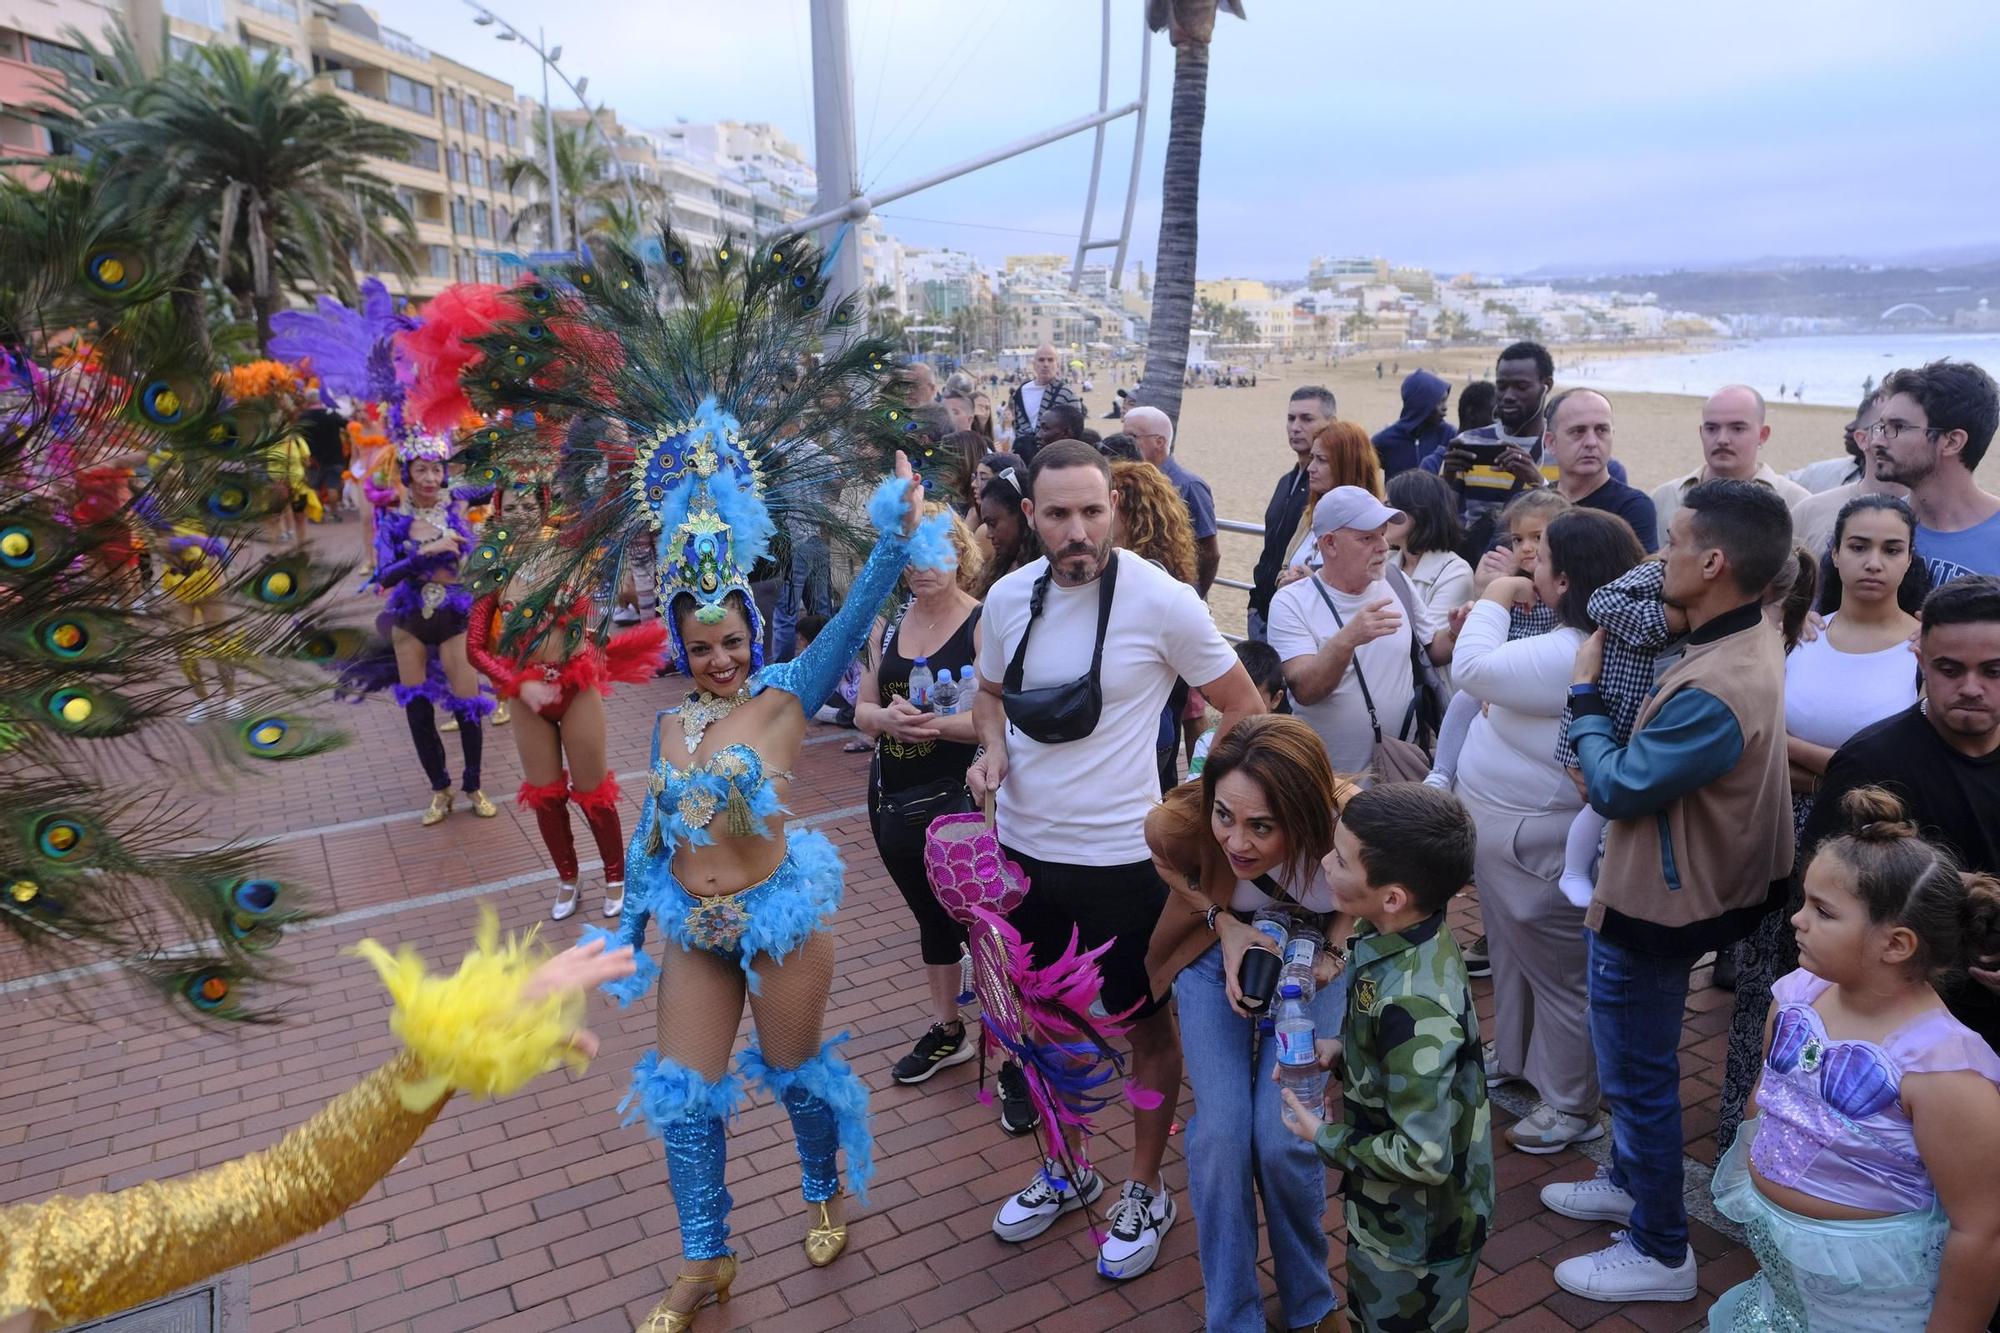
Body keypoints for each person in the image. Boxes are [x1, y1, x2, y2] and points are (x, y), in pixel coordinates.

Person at [969, 441, 1265, 1282]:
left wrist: (1197, 807)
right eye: (1058, 514)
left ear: (1116, 511)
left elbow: (1245, 709)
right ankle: (1067, 1166)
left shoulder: (1162, 601)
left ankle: (1143, 1188)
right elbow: (989, 696)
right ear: (1031, 517)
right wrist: (990, 753)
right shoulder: (1005, 599)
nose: (1077, 532)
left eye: (1092, 512)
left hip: (1125, 864)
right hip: (1025, 857)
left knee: (1144, 1025)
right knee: (1047, 1025)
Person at [1548, 479, 1796, 1304]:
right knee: (1637, 1068)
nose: (1662, 559)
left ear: (1715, 562)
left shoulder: (1718, 682)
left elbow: (1618, 788)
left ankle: (1660, 1249)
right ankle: (1630, 1179)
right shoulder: (1749, 630)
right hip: (1684, 881)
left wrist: (1585, 689)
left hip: (1652, 906)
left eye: (1675, 544)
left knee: (1638, 1076)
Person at [1709, 789, 2000, 1332]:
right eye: (1805, 901)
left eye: (1822, 911)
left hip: (1874, 1314)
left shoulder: (1944, 1072)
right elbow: (1768, 1095)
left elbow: (1981, 1230)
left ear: (1896, 944)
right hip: (1782, 1292)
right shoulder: (1797, 994)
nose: (1797, 920)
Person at [1715, 494, 1929, 1150]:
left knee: (1854, 1000)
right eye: (1858, 545)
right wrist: (1835, 767)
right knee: (1766, 988)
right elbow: (1752, 737)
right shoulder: (1802, 633)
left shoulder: (1924, 650)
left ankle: (1834, 1149)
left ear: (1909, 557)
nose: (1873, 561)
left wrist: (1801, 757)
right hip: (1777, 829)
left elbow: (1899, 775)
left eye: (1891, 548)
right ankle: (1742, 1134)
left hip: (1871, 848)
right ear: (1834, 552)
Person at [1144, 715, 1357, 1333]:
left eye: (1261, 826)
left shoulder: (1351, 820)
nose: (1236, 842)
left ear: (1303, 812)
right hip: (1218, 961)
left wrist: (1333, 953)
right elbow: (1162, 854)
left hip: (1312, 964)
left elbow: (1370, 893)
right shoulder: (1183, 820)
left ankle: (1311, 1304)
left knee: (1286, 1134)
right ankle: (1232, 1317)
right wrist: (1223, 922)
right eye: (1225, 817)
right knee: (1220, 1137)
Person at [1454, 510, 1646, 1155]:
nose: (1528, 565)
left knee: (1560, 974)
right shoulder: (1576, 639)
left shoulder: (1576, 648)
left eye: (1539, 559)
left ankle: (1571, 1105)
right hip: (1510, 832)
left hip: (1534, 837)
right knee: (1513, 958)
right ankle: (1515, 1057)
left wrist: (1494, 594)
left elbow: (1471, 667)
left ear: (1563, 580)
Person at [1280, 783, 1492, 1333]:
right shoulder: (1404, 934)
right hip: (1399, 1220)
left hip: (1415, 1240)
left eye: (1341, 858)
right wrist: (1340, 1054)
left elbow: (1423, 1155)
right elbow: (1405, 1064)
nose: (1325, 862)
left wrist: (1321, 1136)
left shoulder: (1414, 1004)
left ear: (1392, 895)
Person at [1797, 575, 2000, 1052]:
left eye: (1994, 670)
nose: (1972, 687)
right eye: (1950, 668)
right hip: (1906, 1036)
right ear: (1920, 658)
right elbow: (1821, 896)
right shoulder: (1871, 763)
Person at [467, 541, 669, 921]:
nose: (522, 509)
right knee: (545, 794)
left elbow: (584, 615)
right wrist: (516, 683)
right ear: (499, 508)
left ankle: (615, 877)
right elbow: (474, 649)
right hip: (528, 695)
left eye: (531, 500)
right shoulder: (492, 572)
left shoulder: (571, 554)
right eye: (513, 503)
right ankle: (568, 879)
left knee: (592, 789)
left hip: (576, 685)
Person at [854, 506, 986, 1087]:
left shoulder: (983, 624)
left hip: (961, 803)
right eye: (909, 556)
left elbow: (997, 721)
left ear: (960, 552)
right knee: (929, 919)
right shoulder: (888, 621)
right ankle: (949, 1029)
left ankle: (1007, 1051)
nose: (923, 569)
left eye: (935, 553)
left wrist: (927, 726)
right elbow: (862, 712)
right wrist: (885, 717)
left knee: (984, 927)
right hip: (895, 801)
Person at [1268, 486, 1454, 778]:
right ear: (1330, 544)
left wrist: (1455, 633)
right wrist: (1348, 639)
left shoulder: (1396, 580)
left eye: (1382, 534)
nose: (1382, 546)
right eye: (1367, 538)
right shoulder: (1291, 602)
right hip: (1325, 780)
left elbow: (1432, 650)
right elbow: (1304, 690)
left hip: (1398, 770)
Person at [368, 437, 499, 825]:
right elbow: (384, 576)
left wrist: (481, 443)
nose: (429, 477)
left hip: (452, 620)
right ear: (407, 474)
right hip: (410, 624)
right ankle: (440, 789)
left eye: (436, 469)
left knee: (468, 706)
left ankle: (473, 785)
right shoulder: (393, 522)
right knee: (418, 710)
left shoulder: (456, 507)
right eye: (421, 469)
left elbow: (493, 481)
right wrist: (423, 552)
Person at [1868, 359, 2000, 581]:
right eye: (1881, 427)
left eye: (1898, 427)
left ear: (1951, 442)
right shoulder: (1868, 528)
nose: (1876, 442)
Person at [1429, 341, 1560, 553]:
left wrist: (1537, 481)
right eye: (1501, 386)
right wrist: (1448, 478)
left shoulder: (1560, 448)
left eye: (1521, 387)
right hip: (1478, 567)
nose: (1508, 396)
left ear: (1546, 386)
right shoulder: (1469, 441)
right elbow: (1441, 522)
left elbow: (1571, 522)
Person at [1649, 384, 1811, 533]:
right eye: (1712, 428)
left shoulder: (1798, 504)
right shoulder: (1663, 498)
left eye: (1737, 429)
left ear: (1763, 435)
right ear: (1701, 433)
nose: (1722, 439)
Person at [1249, 387, 1336, 641]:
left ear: (1331, 424)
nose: (1295, 427)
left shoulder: (1328, 491)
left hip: (1297, 619)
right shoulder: (1286, 481)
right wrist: (1254, 603)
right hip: (1262, 610)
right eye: (1291, 418)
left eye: (1307, 419)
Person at [1791, 391, 1908, 558]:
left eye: (1904, 428)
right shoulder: (1810, 512)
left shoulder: (1935, 518)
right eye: (1884, 428)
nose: (1896, 437)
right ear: (1862, 439)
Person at [1543, 388, 1659, 551]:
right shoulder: (1531, 504)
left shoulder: (1632, 508)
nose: (1591, 442)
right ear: (1551, 442)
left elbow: (1641, 574)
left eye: (1601, 430)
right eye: (1578, 431)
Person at [1277, 421, 1385, 591]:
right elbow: (1285, 567)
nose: (1311, 468)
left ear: (1347, 465)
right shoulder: (1310, 515)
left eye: (1321, 460)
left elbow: (1366, 589)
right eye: (1312, 458)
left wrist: (1313, 584)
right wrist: (1285, 580)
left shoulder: (1372, 526)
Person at [1125, 404, 1220, 596]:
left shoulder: (1189, 485)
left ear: (1159, 442)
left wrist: (1195, 594)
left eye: (1133, 437)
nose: (1125, 442)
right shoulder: (1130, 483)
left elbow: (1210, 553)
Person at [1188, 641, 1289, 776]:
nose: (1245, 711)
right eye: (1236, 700)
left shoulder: (1287, 747)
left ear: (1276, 699)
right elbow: (1195, 793)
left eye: (1257, 703)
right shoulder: (1207, 742)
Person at [1006, 343, 1085, 464]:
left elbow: (1076, 430)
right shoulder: (1021, 393)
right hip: (1023, 456)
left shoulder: (1067, 394)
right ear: (1034, 364)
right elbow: (1016, 425)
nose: (1046, 364)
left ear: (1057, 365)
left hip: (1054, 458)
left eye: (1050, 360)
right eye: (1041, 360)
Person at [1371, 368, 1454, 478]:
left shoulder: (1449, 435)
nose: (1445, 408)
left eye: (1446, 400)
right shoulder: (1384, 440)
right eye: (1440, 402)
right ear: (1421, 404)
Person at [974, 456, 1040, 594]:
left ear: (1023, 513)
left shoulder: (1044, 574)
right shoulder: (1001, 566)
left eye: (993, 523)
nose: (988, 534)